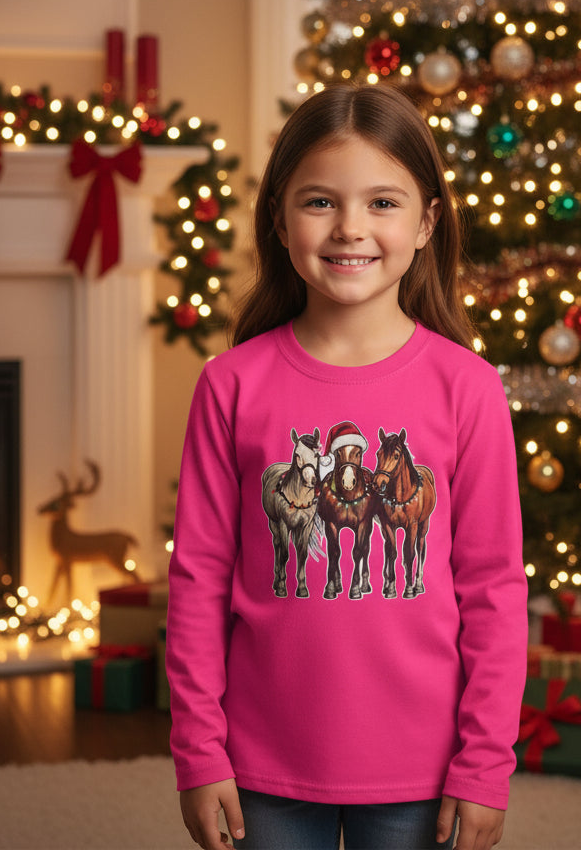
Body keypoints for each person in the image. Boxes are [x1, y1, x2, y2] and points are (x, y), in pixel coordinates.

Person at [166, 83, 528, 850]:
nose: (351, 229)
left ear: (429, 221)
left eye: (384, 204)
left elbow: (493, 590)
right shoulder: (229, 386)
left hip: (423, 772)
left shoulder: (469, 388)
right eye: (320, 202)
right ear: (279, 217)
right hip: (259, 769)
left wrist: (484, 763)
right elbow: (197, 580)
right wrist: (199, 751)